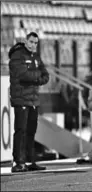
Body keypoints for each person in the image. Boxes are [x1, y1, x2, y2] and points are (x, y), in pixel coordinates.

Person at [8, 32, 50, 172]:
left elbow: (46, 76)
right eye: (31, 42)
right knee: (21, 130)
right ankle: (18, 162)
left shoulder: (36, 56)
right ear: (25, 41)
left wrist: (35, 77)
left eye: (36, 43)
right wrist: (37, 76)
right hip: (21, 99)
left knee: (31, 131)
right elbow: (22, 75)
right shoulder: (17, 55)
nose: (33, 45)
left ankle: (30, 160)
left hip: (33, 100)